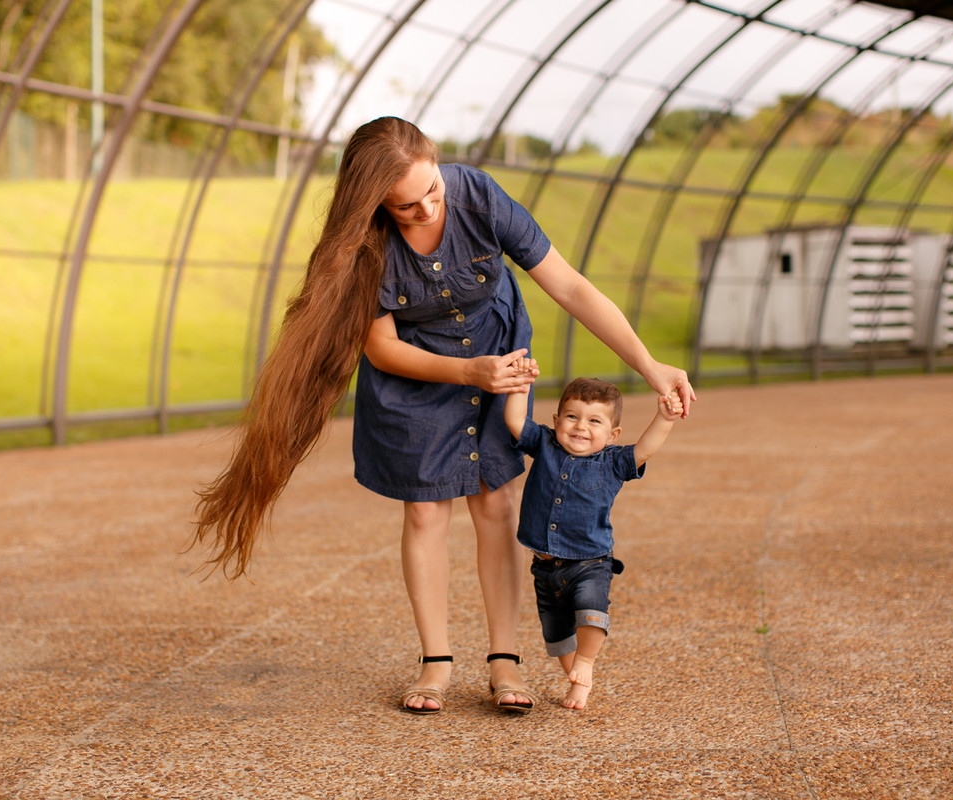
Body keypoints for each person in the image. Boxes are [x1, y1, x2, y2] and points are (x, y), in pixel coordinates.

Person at [187, 116, 694, 716]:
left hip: (496, 353)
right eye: (406, 206)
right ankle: (436, 662)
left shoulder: (479, 196)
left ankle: (504, 659)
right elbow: (381, 348)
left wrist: (648, 365)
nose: (427, 209)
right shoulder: (363, 245)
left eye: (432, 190)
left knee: (495, 502)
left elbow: (571, 288)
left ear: (438, 165)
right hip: (415, 374)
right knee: (426, 511)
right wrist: (467, 372)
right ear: (375, 203)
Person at [503, 373, 681, 709]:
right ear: (556, 420)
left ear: (613, 435)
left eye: (594, 421)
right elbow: (514, 421)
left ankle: (586, 661)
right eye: (572, 416)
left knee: (591, 612)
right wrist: (519, 386)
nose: (580, 426)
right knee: (557, 635)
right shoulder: (544, 444)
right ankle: (577, 683)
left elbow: (645, 449)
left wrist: (665, 418)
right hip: (545, 568)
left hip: (590, 562)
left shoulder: (612, 462)